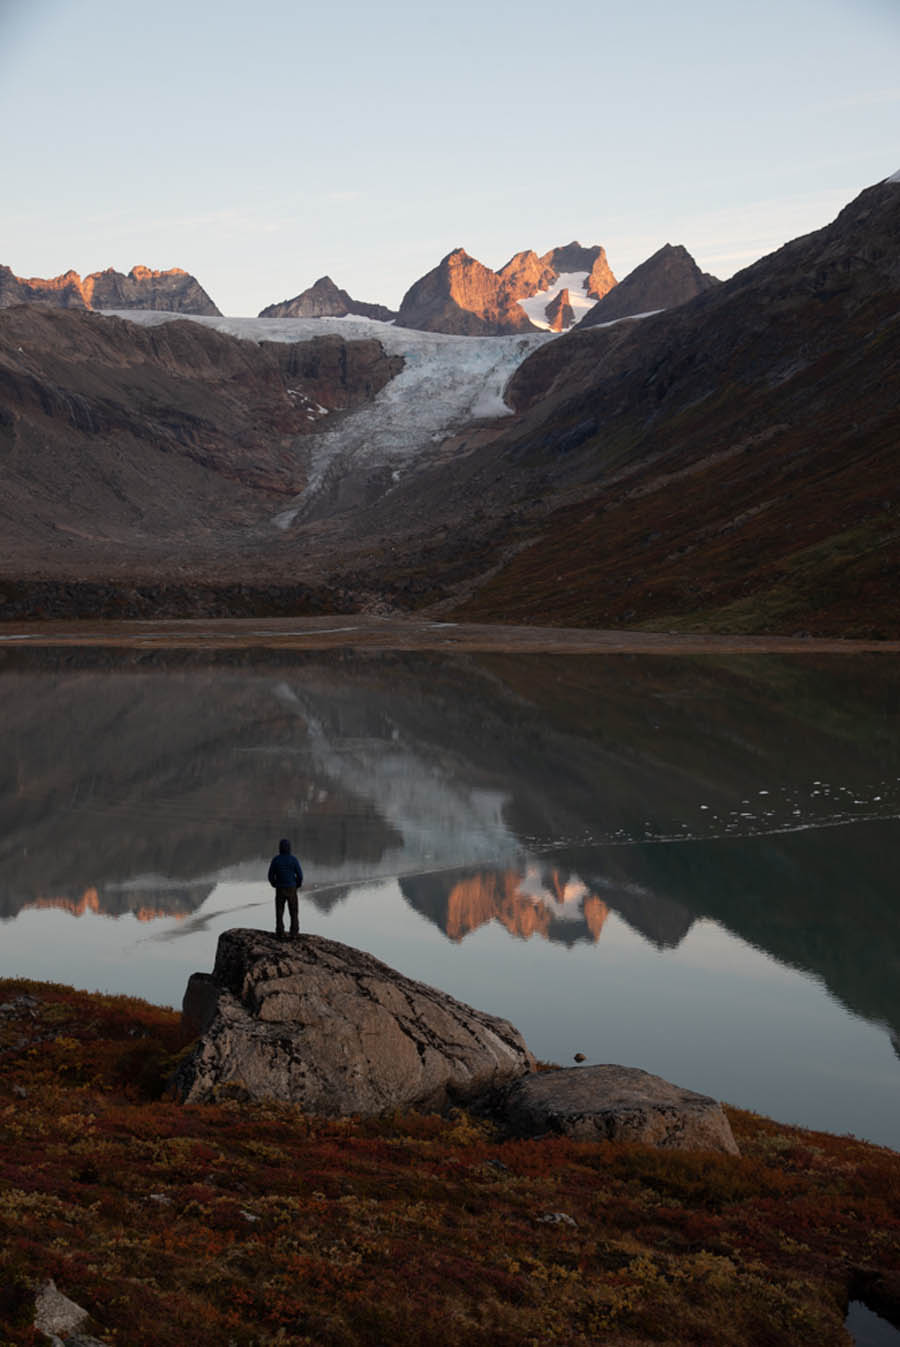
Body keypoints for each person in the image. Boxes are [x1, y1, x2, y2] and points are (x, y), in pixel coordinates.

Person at [267, 837, 303, 939]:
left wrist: (274, 884)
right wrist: (298, 884)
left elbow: (270, 875)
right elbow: (300, 875)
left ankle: (280, 933)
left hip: (280, 888)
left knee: (279, 912)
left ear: (280, 848)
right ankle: (294, 933)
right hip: (292, 888)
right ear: (289, 848)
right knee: (294, 912)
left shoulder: (276, 860)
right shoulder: (293, 859)